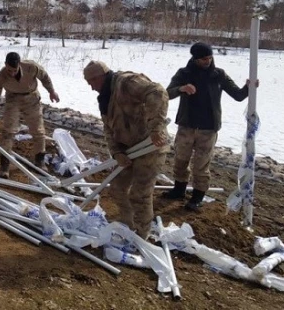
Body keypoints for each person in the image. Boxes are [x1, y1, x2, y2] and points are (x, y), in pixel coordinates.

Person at [164, 42, 257, 211]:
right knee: (180, 160)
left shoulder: (218, 75)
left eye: (209, 57)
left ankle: (197, 197)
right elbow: (167, 93)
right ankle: (178, 190)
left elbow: (237, 95)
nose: (207, 61)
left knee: (201, 164)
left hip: (208, 128)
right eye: (203, 59)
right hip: (186, 126)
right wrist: (182, 88)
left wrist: (249, 88)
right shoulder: (184, 73)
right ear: (195, 58)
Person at [83, 61, 169, 239]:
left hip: (149, 146)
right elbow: (108, 129)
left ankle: (141, 235)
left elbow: (157, 92)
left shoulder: (127, 82)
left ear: (99, 77)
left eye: (91, 83)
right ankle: (127, 225)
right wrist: (117, 153)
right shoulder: (104, 98)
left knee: (140, 194)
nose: (91, 88)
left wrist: (156, 128)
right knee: (117, 188)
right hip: (127, 149)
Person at [0, 52, 60, 178]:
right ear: (5, 65)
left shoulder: (31, 67)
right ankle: (4, 166)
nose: (11, 73)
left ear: (19, 65)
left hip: (31, 97)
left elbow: (44, 77)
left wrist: (52, 91)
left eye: (14, 70)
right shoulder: (1, 76)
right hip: (12, 99)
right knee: (8, 131)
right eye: (9, 70)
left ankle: (40, 161)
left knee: (38, 131)